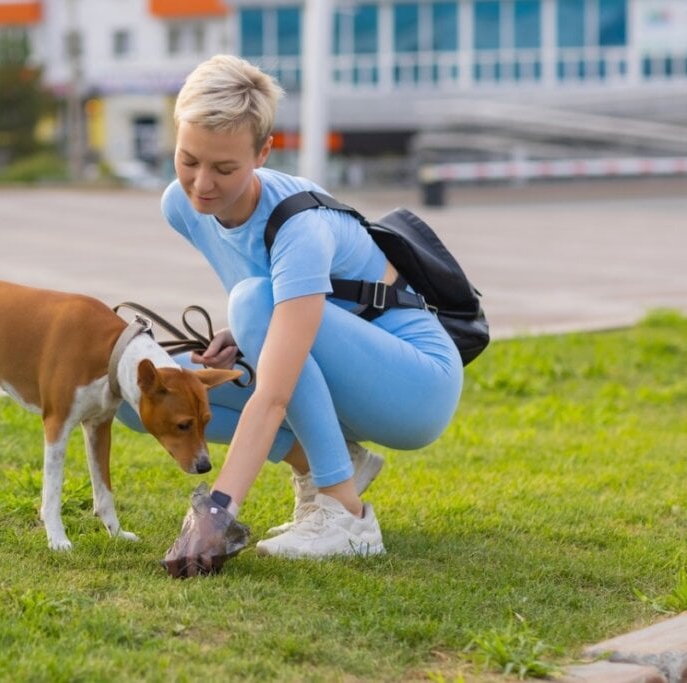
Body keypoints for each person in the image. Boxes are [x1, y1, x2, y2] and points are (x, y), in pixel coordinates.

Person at [116, 54, 463, 576]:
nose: (202, 183)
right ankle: (328, 462)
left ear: (263, 153)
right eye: (188, 160)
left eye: (224, 168)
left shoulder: (301, 227)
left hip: (415, 385)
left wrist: (218, 511)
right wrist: (241, 334)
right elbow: (284, 302)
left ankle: (347, 516)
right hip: (335, 359)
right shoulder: (180, 205)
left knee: (256, 303)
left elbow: (275, 385)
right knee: (139, 393)